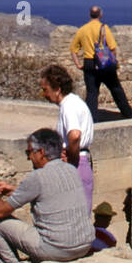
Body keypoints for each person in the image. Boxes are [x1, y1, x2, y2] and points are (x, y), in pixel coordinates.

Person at [0, 128, 94, 263]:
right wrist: (14, 190)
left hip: (58, 249)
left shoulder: (37, 176)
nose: (29, 158)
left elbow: (1, 212)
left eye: (29, 152)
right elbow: (49, 192)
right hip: (84, 245)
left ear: (41, 153)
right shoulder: (71, 169)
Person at [39, 63, 95, 214]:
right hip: (80, 161)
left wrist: (71, 157)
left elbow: (75, 135)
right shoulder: (73, 103)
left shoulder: (69, 105)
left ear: (57, 89)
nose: (44, 95)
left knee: (76, 216)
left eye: (46, 90)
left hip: (77, 162)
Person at [69, 6, 132, 122]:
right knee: (115, 88)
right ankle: (127, 113)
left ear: (90, 15)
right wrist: (113, 61)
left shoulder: (82, 30)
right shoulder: (103, 28)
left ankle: (91, 119)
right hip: (103, 62)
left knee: (92, 92)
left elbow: (73, 50)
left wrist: (78, 64)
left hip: (89, 62)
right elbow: (112, 47)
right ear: (100, 15)